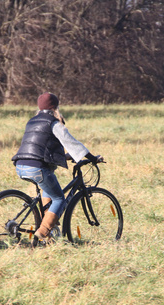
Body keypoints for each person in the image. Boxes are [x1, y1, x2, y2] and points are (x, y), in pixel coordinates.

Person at [12, 92, 102, 247]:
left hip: (20, 165)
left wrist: (67, 157)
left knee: (49, 188)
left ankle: (51, 231)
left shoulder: (32, 122)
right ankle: (43, 232)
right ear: (55, 107)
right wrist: (93, 158)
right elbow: (72, 142)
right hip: (38, 169)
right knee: (60, 199)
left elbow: (41, 148)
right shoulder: (53, 123)